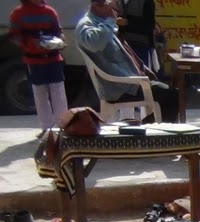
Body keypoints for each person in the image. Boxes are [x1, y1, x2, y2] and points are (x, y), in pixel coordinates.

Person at [75, 0, 178, 122]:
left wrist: (143, 68)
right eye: (112, 8)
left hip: (132, 81)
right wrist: (110, 20)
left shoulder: (103, 23)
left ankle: (145, 126)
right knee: (172, 96)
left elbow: (125, 52)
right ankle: (149, 128)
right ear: (97, 6)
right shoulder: (86, 25)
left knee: (172, 93)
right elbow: (94, 43)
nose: (115, 12)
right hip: (121, 87)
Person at [9, 0, 68, 134]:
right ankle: (47, 129)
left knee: (58, 91)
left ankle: (63, 126)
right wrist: (31, 43)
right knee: (40, 93)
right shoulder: (18, 14)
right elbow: (14, 36)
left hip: (53, 58)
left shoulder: (49, 11)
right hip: (33, 60)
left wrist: (61, 41)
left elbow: (58, 31)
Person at [115, 0, 157, 73]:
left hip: (139, 47)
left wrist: (127, 22)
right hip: (119, 46)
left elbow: (149, 25)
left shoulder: (146, 2)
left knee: (139, 75)